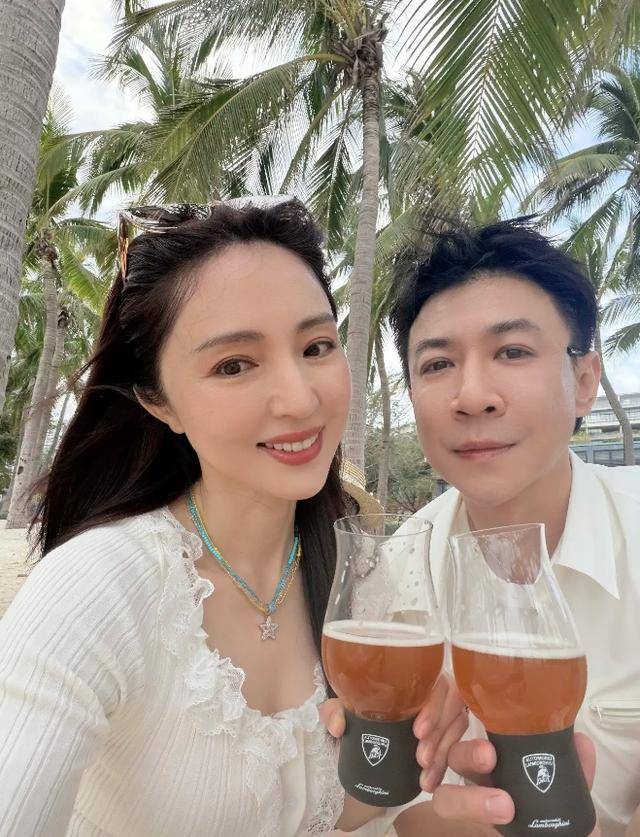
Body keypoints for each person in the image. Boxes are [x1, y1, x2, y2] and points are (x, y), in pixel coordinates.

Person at [0, 199, 461, 837]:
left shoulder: (362, 583)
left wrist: (448, 792)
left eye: (316, 346)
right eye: (234, 365)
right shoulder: (98, 586)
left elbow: (359, 817)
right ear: (159, 401)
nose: (299, 398)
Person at [386, 218, 640, 836]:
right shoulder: (396, 573)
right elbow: (394, 814)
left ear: (584, 383)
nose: (472, 396)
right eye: (438, 363)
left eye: (513, 352)